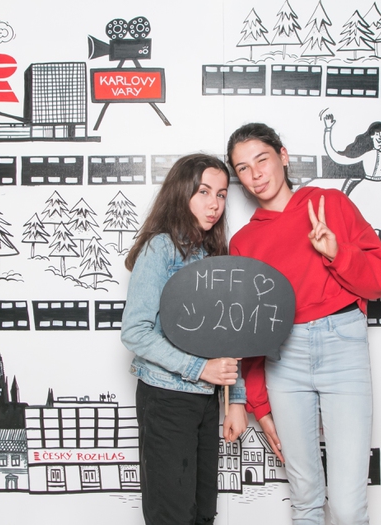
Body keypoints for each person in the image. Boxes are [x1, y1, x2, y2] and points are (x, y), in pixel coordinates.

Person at [227, 123, 381, 525]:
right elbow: (249, 336)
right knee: (305, 502)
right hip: (283, 359)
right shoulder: (244, 243)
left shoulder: (328, 204)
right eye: (243, 168)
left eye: (262, 160)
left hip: (342, 345)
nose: (256, 175)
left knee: (348, 507)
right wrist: (259, 406)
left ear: (283, 156)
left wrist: (336, 252)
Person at [120, 153, 248, 525]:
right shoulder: (160, 248)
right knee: (172, 515)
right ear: (181, 193)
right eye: (204, 192)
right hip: (166, 397)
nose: (214, 204)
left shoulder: (214, 256)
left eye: (221, 194)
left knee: (202, 513)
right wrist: (199, 368)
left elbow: (227, 337)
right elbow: (135, 331)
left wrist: (236, 400)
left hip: (206, 401)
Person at [322, 115, 381, 232]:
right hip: (363, 190)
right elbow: (337, 158)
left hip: (378, 192)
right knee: (354, 225)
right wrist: (328, 129)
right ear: (372, 135)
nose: (380, 137)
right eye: (377, 134)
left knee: (375, 228)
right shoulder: (366, 153)